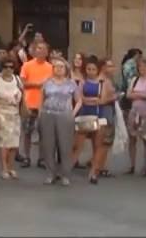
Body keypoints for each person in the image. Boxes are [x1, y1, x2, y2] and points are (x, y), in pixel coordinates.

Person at [38, 57, 80, 186]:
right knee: (48, 145)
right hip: (48, 114)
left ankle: (65, 174)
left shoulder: (71, 83)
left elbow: (79, 100)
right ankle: (51, 173)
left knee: (65, 145)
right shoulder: (47, 82)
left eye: (61, 67)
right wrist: (40, 113)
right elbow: (42, 98)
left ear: (66, 69)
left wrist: (73, 113)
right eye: (56, 67)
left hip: (64, 115)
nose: (59, 69)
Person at [79, 56, 115, 184]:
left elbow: (103, 99)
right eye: (89, 69)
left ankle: (95, 170)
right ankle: (91, 166)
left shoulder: (105, 81)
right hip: (92, 112)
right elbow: (82, 97)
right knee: (83, 142)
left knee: (99, 142)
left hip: (103, 114)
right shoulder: (92, 81)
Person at [19, 41, 53, 170]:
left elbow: (52, 85)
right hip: (29, 103)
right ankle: (27, 157)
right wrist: (38, 84)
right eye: (38, 48)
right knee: (27, 132)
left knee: (43, 133)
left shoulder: (50, 67)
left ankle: (42, 159)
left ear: (46, 52)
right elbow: (23, 83)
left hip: (44, 105)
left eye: (43, 49)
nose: (40, 51)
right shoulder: (27, 65)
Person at [0, 55, 24, 180]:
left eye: (11, 67)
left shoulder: (17, 79)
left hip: (15, 113)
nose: (8, 69)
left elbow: (23, 91)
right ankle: (4, 168)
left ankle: (11, 167)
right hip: (1, 112)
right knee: (3, 142)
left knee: (14, 142)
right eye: (6, 67)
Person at [125, 53, 146, 176]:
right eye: (140, 67)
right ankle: (132, 165)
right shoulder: (134, 79)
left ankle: (145, 166)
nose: (142, 69)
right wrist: (140, 94)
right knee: (132, 138)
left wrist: (135, 93)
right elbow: (128, 95)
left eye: (145, 67)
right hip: (135, 111)